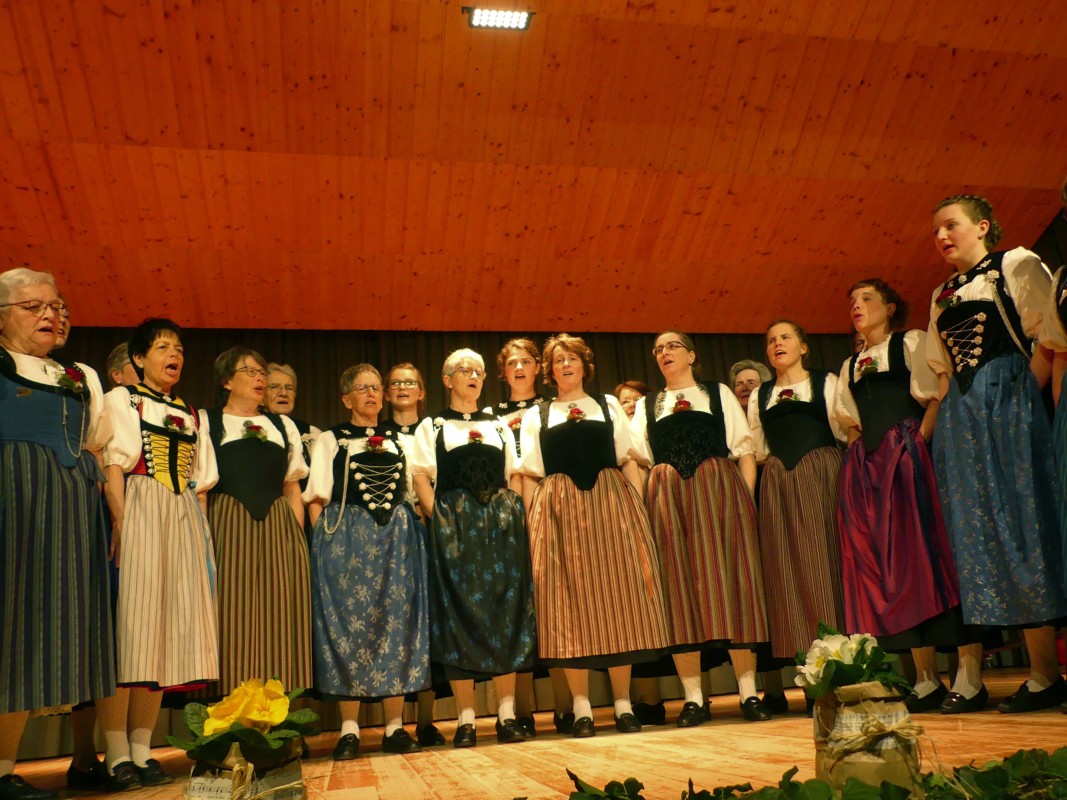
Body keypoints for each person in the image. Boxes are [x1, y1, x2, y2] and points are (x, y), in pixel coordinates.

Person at [927, 194, 1066, 713]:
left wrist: (1022, 397)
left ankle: (1046, 672)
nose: (942, 236)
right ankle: (1026, 673)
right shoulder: (941, 293)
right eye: (936, 231)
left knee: (1026, 525)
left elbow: (1050, 336)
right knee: (982, 536)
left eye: (951, 225)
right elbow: (943, 370)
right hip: (963, 416)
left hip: (1011, 398)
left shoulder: (1014, 263)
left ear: (982, 226)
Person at [836, 280, 981, 713]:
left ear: (889, 308)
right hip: (874, 470)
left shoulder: (911, 342)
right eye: (852, 301)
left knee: (934, 558)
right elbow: (851, 423)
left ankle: (969, 675)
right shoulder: (850, 365)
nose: (857, 306)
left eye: (866, 299)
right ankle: (925, 678)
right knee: (897, 570)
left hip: (911, 457)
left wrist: (918, 442)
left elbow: (937, 393)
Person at [519, 334, 669, 738]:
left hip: (609, 505)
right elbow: (530, 473)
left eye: (572, 358)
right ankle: (582, 707)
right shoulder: (537, 415)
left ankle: (623, 704)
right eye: (558, 360)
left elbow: (628, 460)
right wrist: (533, 524)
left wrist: (638, 509)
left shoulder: (607, 405)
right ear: (550, 371)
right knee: (566, 604)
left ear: (585, 365)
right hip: (558, 510)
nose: (565, 364)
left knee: (619, 599)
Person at [0, 269, 114, 800]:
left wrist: (113, 510)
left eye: (55, 306)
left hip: (71, 504)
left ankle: (26, 763)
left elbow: (96, 443)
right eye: (33, 306)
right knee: (11, 622)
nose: (50, 315)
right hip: (14, 495)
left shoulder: (79, 375)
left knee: (50, 630)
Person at [98, 318, 219, 790]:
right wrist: (120, 521)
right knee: (131, 630)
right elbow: (113, 464)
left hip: (181, 513)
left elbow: (200, 479)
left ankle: (143, 749)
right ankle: (116, 753)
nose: (175, 355)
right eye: (164, 346)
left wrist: (202, 540)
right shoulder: (123, 399)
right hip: (141, 507)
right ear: (139, 358)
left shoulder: (189, 411)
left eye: (180, 349)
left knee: (163, 634)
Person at [631, 331, 771, 726]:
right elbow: (639, 461)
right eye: (658, 349)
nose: (665, 352)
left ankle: (748, 692)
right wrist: (644, 509)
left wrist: (744, 501)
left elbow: (744, 451)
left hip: (719, 493)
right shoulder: (646, 405)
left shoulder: (717, 393)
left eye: (672, 346)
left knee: (735, 586)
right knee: (678, 590)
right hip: (668, 499)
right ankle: (694, 698)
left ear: (691, 355)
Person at [412, 349, 537, 748]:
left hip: (500, 527)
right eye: (465, 370)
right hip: (455, 526)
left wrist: (513, 515)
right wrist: (440, 521)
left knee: (505, 613)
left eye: (479, 372)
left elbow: (512, 474)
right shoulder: (432, 425)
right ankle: (466, 719)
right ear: (447, 380)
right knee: (458, 616)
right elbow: (420, 477)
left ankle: (506, 715)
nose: (474, 376)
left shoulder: (497, 424)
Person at [304, 365, 430, 759]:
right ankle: (349, 730)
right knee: (348, 628)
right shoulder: (331, 440)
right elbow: (317, 497)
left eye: (376, 388)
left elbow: (412, 493)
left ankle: (394, 727)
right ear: (346, 398)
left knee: (397, 626)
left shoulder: (401, 440)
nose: (372, 394)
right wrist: (324, 544)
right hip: (347, 540)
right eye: (363, 388)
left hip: (396, 542)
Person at [200, 347, 312, 696]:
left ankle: (278, 709)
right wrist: (203, 540)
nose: (260, 378)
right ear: (226, 381)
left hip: (278, 525)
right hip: (229, 522)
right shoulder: (209, 422)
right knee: (233, 613)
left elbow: (292, 487)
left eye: (261, 372)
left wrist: (295, 539)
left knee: (279, 613)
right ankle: (230, 710)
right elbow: (201, 487)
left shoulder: (282, 425)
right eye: (249, 371)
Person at [747, 320, 845, 716]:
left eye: (785, 337)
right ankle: (809, 675)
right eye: (771, 340)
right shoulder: (761, 395)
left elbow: (845, 430)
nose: (777, 344)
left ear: (803, 346)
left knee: (826, 568)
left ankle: (842, 670)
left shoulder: (825, 382)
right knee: (786, 575)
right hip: (779, 483)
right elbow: (757, 449)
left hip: (822, 475)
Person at [486, 339, 573, 736]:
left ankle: (566, 704)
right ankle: (521, 709)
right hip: (504, 516)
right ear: (502, 372)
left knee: (555, 604)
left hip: (551, 506)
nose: (519, 368)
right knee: (515, 607)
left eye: (526, 362)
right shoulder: (489, 417)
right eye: (511, 363)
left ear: (539, 368)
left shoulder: (554, 408)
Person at [381, 362, 445, 747]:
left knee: (431, 619)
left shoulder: (436, 428)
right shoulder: (378, 435)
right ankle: (394, 721)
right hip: (392, 534)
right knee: (397, 621)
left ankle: (426, 720)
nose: (403, 388)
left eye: (410, 382)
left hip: (432, 526)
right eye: (395, 383)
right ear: (386, 393)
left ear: (422, 392)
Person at [263, 363, 320, 490]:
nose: (283, 393)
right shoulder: (251, 428)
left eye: (289, 388)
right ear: (261, 395)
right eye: (274, 387)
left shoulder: (312, 433)